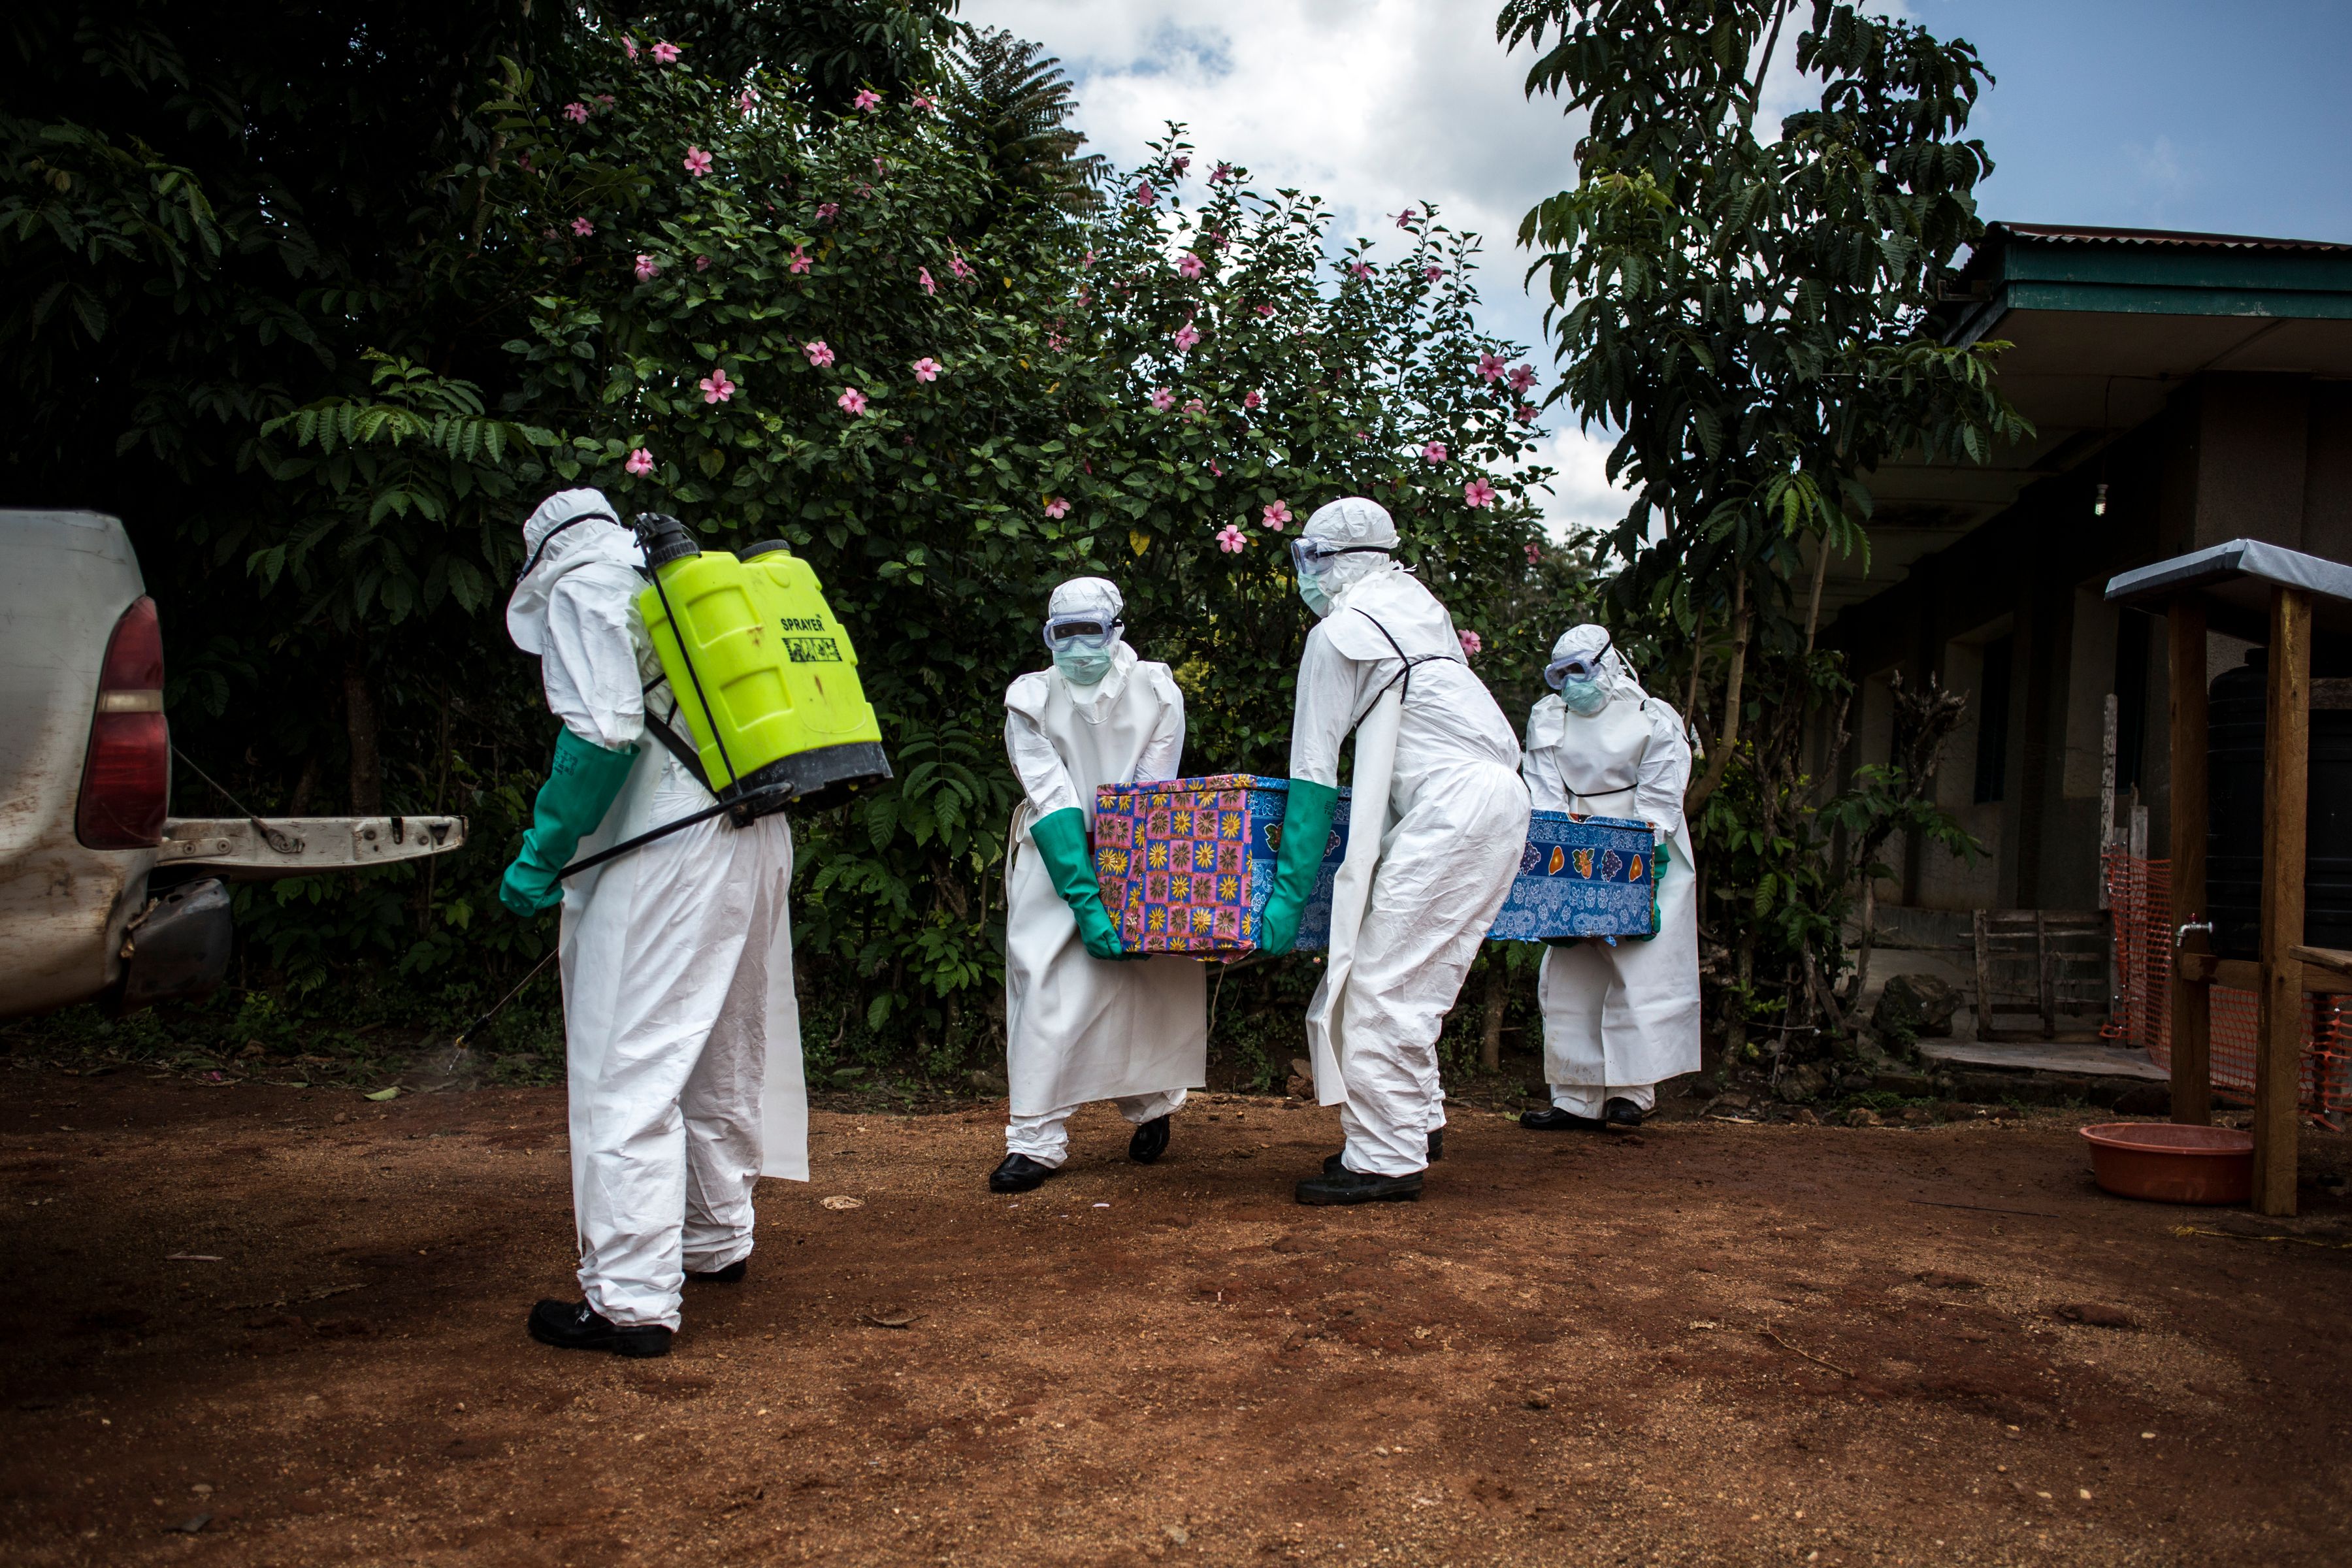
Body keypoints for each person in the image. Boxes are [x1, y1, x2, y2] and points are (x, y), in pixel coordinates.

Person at [500, 489, 806, 1358]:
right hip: (753, 826)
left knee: (624, 1064)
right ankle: (716, 1238)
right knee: (718, 1046)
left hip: (670, 846)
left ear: (541, 558)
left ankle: (630, 1299)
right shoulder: (679, 583)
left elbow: (600, 735)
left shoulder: (585, 589)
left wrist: (541, 852)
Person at [1258, 498, 1531, 1205]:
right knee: (1417, 977)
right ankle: (1416, 1124)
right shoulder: (1419, 610)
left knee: (1383, 983)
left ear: (1326, 561)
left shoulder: (1343, 632)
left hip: (1454, 809)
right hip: (1497, 796)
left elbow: (1314, 774)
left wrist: (1286, 900)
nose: (1304, 577)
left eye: (1306, 560)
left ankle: (1383, 1159)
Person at [992, 577, 1208, 1192]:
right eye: (1065, 634)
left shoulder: (1157, 691)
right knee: (1044, 986)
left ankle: (1154, 1104)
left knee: (1139, 985)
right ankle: (1035, 1140)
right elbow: (1053, 797)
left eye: (1092, 631)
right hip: (1051, 859)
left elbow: (1150, 789)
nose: (1079, 647)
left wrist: (1124, 885)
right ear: (1049, 636)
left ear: (1117, 629)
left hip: (1139, 849)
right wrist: (1087, 901)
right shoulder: (1030, 699)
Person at [1518, 623, 1700, 1130]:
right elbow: (1543, 790)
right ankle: (1575, 1098)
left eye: (1581, 670)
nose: (1572, 683)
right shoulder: (1548, 717)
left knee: (1637, 968)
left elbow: (1662, 795)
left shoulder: (1652, 717)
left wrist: (1644, 862)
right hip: (1574, 846)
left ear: (1609, 663)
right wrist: (1558, 860)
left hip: (1644, 841)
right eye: (1562, 674)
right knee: (1571, 968)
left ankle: (1632, 1093)